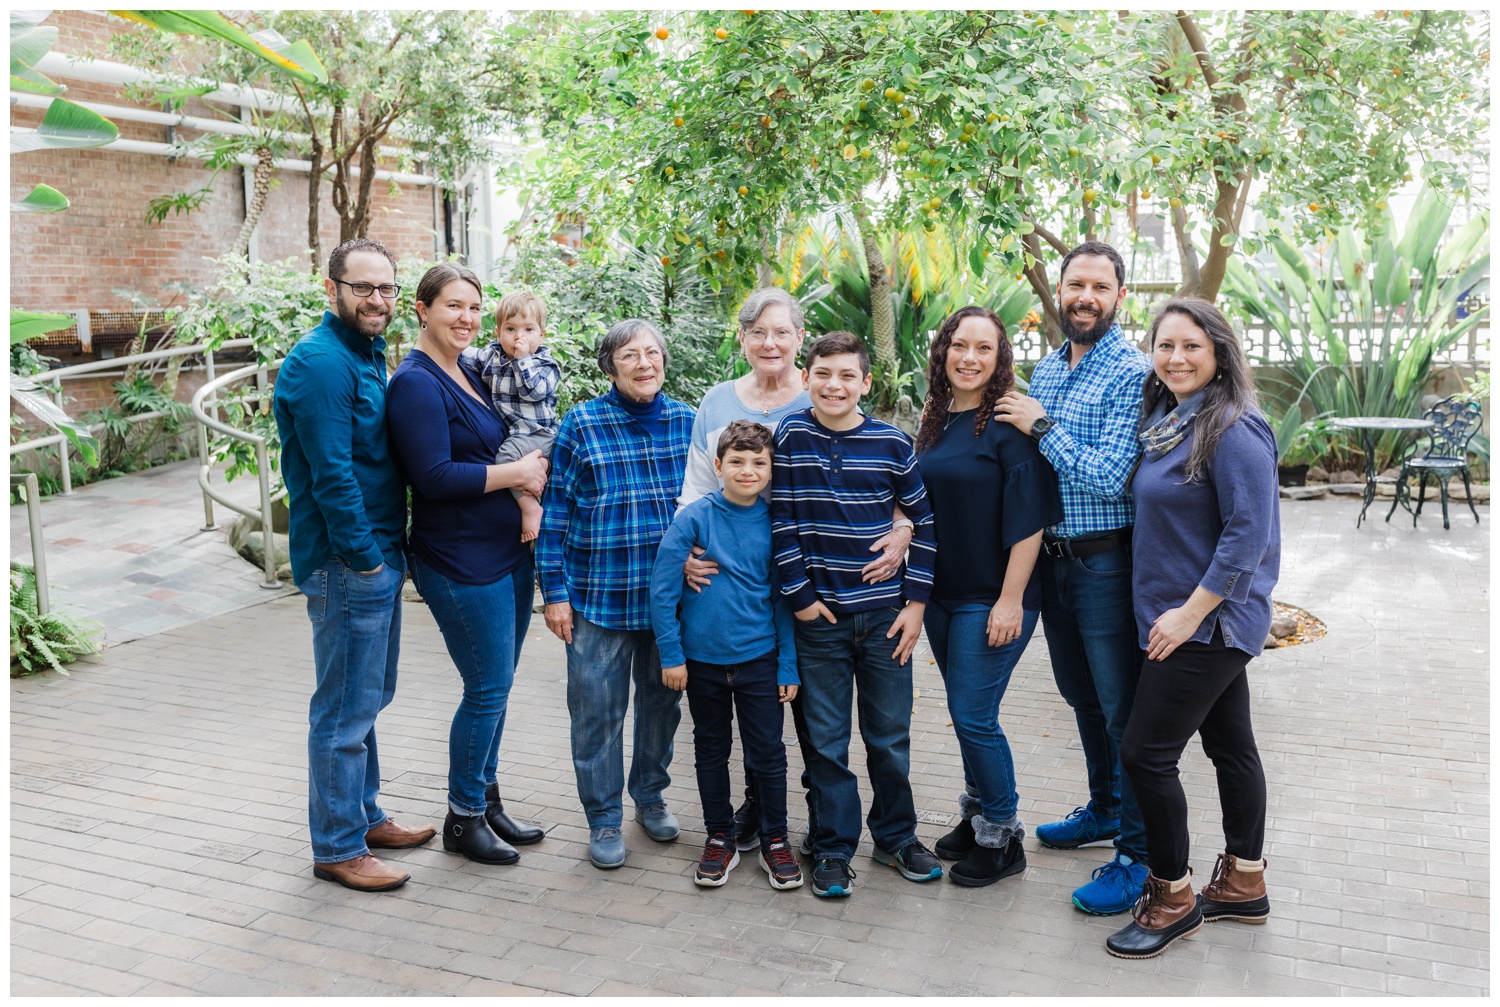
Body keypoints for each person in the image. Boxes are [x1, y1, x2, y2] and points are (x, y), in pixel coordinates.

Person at [678, 286, 912, 854]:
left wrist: (904, 528)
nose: (770, 343)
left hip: (820, 590)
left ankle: (821, 823)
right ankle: (764, 810)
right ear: (742, 340)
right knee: (764, 714)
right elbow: (697, 491)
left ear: (800, 344)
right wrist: (685, 553)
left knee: (814, 718)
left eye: (782, 332)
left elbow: (880, 482)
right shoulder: (716, 403)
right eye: (758, 333)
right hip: (745, 591)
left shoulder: (822, 401)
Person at [1105, 299, 1280, 959]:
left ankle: (1173, 896)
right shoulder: (1172, 420)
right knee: (1231, 743)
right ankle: (1243, 880)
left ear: (1219, 353)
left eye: (1191, 346)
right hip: (1181, 616)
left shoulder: (1234, 426)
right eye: (1165, 345)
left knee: (1144, 754)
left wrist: (1188, 612)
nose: (1175, 357)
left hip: (1205, 622)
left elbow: (1246, 536)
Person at [995, 240, 1153, 915]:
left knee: (1125, 711)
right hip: (1054, 565)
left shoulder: (1133, 371)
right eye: (1074, 285)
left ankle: (1141, 858)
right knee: (1081, 697)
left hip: (1106, 560)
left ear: (1120, 296)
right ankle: (1105, 808)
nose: (1084, 296)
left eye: (1099, 286)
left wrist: (1043, 425)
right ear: (1058, 292)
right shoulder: (1049, 367)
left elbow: (1115, 477)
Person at [273, 237, 433, 893]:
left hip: (375, 556)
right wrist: (366, 560)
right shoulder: (321, 363)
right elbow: (332, 474)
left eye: (387, 288)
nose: (377, 299)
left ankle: (364, 817)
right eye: (363, 287)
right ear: (331, 288)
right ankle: (337, 846)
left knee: (366, 699)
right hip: (349, 563)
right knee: (342, 710)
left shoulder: (363, 354)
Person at [385, 264, 551, 866]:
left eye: (475, 308)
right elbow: (430, 477)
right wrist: (517, 474)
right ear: (422, 310)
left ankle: (488, 799)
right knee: (485, 689)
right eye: (453, 306)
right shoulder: (416, 383)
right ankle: (463, 819)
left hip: (508, 551)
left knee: (498, 689)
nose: (466, 319)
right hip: (458, 559)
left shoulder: (472, 369)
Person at [771, 331, 942, 898]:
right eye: (823, 374)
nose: (834, 385)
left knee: (889, 737)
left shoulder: (893, 442)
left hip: (886, 620)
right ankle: (832, 847)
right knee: (825, 742)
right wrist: (800, 597)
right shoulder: (790, 436)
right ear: (806, 377)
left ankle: (896, 838)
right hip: (820, 620)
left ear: (866, 383)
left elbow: (926, 525)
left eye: (848, 375)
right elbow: (783, 523)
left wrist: (916, 605)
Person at [536, 319, 695, 870]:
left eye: (653, 352)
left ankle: (649, 797)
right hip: (597, 599)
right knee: (597, 713)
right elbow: (554, 514)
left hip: (668, 604)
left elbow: (708, 507)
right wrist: (553, 594)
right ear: (610, 366)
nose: (645, 362)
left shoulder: (688, 422)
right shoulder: (582, 423)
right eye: (630, 354)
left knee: (662, 707)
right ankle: (603, 817)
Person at [914, 307, 1063, 887]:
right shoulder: (936, 415)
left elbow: (1030, 522)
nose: (969, 358)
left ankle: (1003, 837)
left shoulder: (1009, 422)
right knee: (967, 714)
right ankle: (976, 816)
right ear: (943, 351)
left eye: (984, 348)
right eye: (959, 345)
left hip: (994, 596)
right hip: (943, 594)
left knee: (973, 716)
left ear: (1001, 358)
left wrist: (1010, 600)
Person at [651, 420, 803, 891]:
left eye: (759, 462)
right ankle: (720, 836)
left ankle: (776, 839)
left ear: (771, 469)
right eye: (736, 461)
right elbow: (662, 590)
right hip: (701, 663)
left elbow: (783, 600)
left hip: (759, 659)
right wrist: (672, 655)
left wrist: (787, 664)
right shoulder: (695, 518)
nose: (747, 470)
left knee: (769, 754)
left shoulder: (776, 523)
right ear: (718, 466)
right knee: (710, 750)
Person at [463, 290, 561, 543]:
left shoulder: (545, 365)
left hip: (539, 434)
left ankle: (529, 507)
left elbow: (534, 392)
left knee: (504, 460)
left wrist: (523, 360)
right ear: (497, 333)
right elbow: (463, 355)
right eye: (510, 329)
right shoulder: (492, 357)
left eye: (529, 329)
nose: (519, 337)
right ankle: (540, 469)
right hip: (518, 435)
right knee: (512, 458)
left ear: (542, 334)